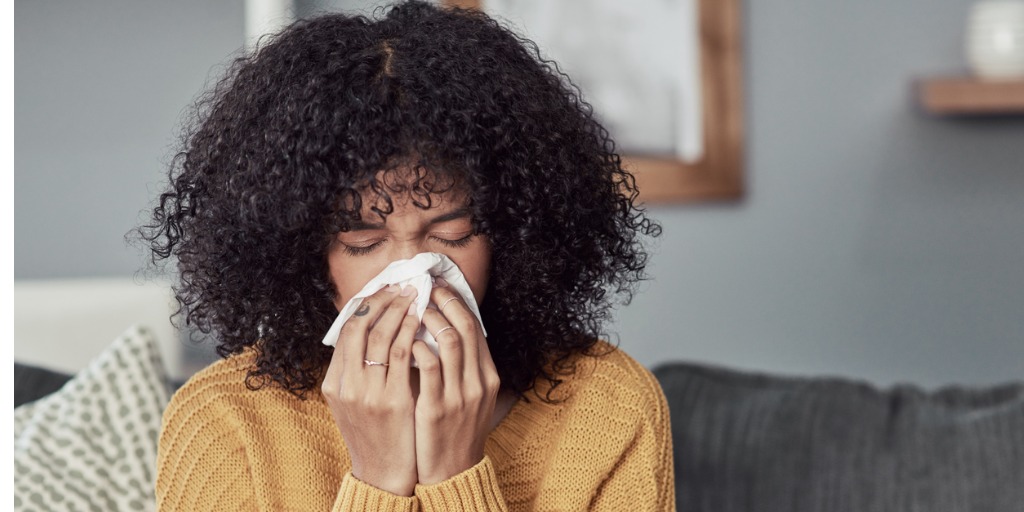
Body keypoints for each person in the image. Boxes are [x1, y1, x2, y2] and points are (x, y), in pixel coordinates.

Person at [142, 1, 672, 510]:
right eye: (364, 242)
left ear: (512, 234)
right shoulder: (225, 423)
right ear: (302, 251)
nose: (414, 276)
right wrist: (378, 481)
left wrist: (454, 476)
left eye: (454, 233)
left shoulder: (610, 405)